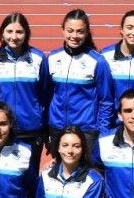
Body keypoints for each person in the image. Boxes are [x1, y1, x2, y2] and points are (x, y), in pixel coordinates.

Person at [0, 12, 49, 177]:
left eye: (19, 32)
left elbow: (45, 94)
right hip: (3, 130)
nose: (14, 37)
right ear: (2, 33)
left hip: (31, 130)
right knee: (6, 177)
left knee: (30, 179)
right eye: (9, 32)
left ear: (26, 34)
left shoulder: (38, 58)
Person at [45, 9, 114, 154]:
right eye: (70, 30)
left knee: (86, 174)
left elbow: (106, 101)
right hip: (57, 128)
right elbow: (45, 96)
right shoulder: (52, 58)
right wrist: (47, 127)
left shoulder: (98, 62)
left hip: (86, 131)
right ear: (62, 30)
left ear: (87, 32)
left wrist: (103, 133)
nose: (74, 36)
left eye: (79, 31)